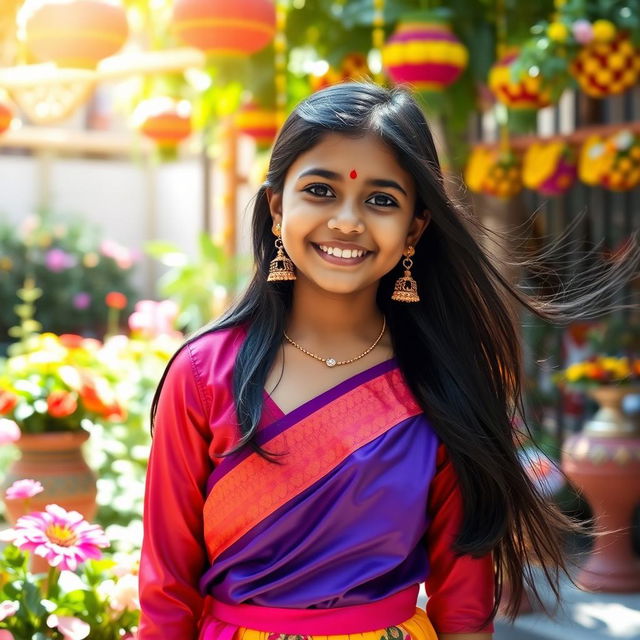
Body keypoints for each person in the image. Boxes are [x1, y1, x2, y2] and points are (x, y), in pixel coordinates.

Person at [138, 82, 639, 640]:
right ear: (278, 205)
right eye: (321, 190)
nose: (348, 220)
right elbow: (166, 589)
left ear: (415, 228)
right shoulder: (206, 375)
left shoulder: (443, 377)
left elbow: (465, 599)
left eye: (381, 199)